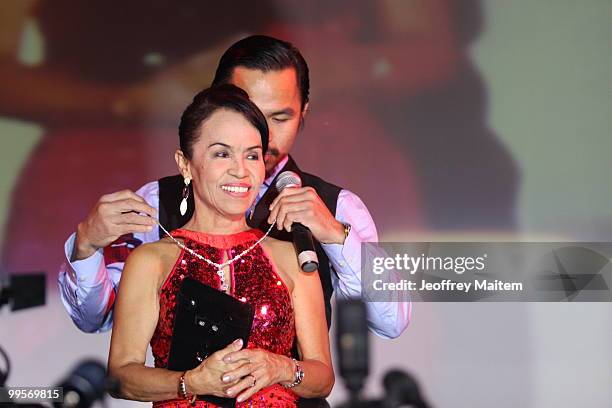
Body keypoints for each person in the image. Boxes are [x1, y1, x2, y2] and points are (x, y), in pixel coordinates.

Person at [59, 35, 411, 337]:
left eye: (280, 117)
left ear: (304, 113)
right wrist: (86, 248)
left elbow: (392, 322)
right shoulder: (157, 201)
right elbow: (98, 320)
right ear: (216, 103)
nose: (263, 135)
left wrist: (336, 235)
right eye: (249, 113)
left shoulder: (338, 207)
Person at [108, 84, 334, 407]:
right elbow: (120, 376)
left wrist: (280, 367)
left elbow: (322, 377)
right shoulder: (151, 261)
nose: (240, 170)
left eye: (252, 155)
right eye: (221, 153)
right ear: (185, 164)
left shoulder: (292, 257)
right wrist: (191, 382)